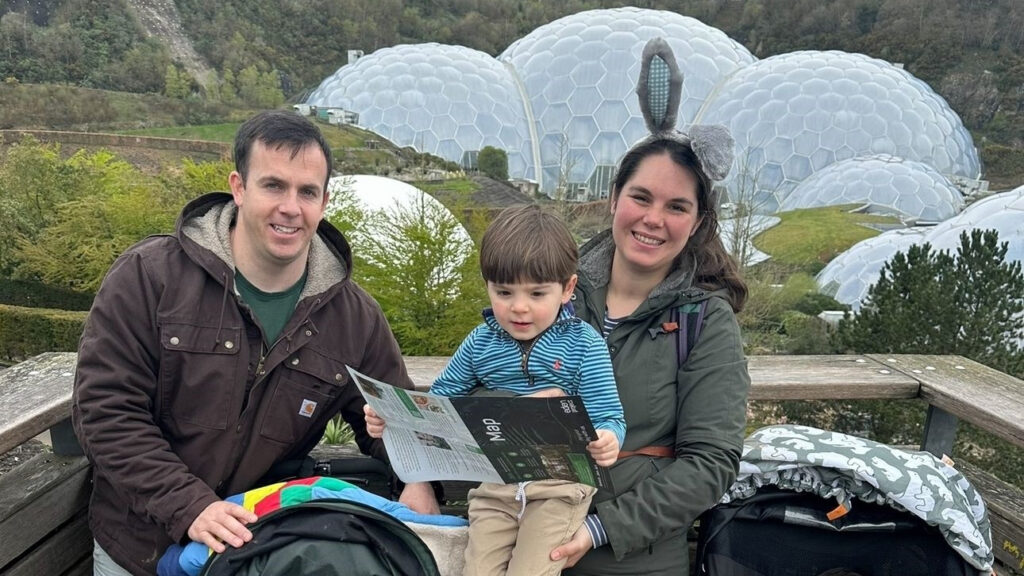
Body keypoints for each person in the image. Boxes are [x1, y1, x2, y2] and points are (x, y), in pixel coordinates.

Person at [72, 110, 435, 576]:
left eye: (307, 192)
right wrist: (190, 506)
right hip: (142, 543)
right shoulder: (150, 277)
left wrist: (419, 477)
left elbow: (390, 417)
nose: (290, 207)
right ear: (239, 187)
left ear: (325, 201)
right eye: (273, 186)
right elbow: (105, 410)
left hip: (259, 545)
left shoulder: (353, 317)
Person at [548, 38, 751, 575]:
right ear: (614, 197)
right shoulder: (552, 290)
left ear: (698, 220)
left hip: (631, 560)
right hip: (523, 539)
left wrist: (600, 530)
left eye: (676, 206)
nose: (652, 219)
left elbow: (710, 465)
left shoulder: (703, 320)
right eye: (641, 197)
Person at [365, 204, 626, 576]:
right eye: (504, 292)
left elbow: (609, 415)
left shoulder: (584, 345)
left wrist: (607, 437)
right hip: (496, 483)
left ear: (567, 289)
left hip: (559, 487)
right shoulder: (482, 342)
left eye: (537, 294)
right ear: (487, 286)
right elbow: (436, 401)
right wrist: (390, 417)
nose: (519, 308)